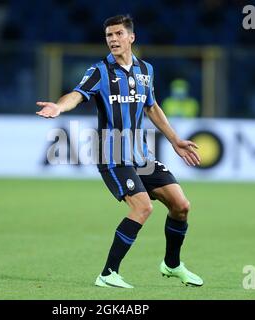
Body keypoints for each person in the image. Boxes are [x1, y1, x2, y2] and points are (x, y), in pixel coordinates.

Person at [36, 14, 203, 288]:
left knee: (181, 206)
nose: (113, 40)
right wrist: (59, 106)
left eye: (118, 34)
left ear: (131, 37)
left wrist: (174, 140)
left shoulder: (146, 70)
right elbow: (77, 94)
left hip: (141, 156)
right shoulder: (100, 71)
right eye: (108, 36)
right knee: (143, 207)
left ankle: (172, 265)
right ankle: (108, 273)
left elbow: (151, 106)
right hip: (112, 155)